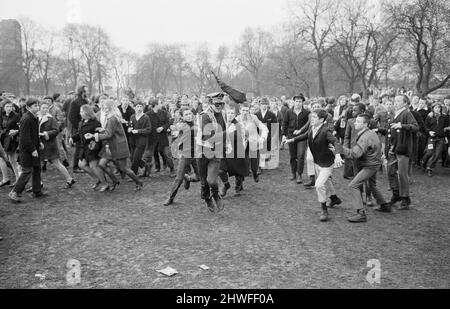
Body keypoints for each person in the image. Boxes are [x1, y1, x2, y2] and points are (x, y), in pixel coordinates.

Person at [335, 114, 391, 222]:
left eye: (359, 122)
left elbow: (356, 154)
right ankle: (384, 205)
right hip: (373, 163)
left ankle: (361, 213)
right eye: (356, 121)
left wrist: (340, 149)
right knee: (372, 185)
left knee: (353, 185)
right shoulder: (369, 133)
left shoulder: (365, 137)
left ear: (366, 124)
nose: (355, 123)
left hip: (369, 165)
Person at [293, 109, 343, 222]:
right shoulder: (312, 128)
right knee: (326, 181)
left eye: (314, 117)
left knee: (319, 184)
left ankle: (324, 210)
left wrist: (338, 155)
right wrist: (292, 140)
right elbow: (305, 135)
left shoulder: (326, 131)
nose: (312, 119)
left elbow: (336, 142)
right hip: (317, 161)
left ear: (321, 120)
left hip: (327, 163)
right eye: (312, 117)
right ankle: (334, 198)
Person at [85, 99, 143, 191]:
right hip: (112, 146)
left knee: (124, 168)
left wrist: (94, 135)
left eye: (106, 108)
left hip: (118, 146)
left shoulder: (112, 119)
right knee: (102, 164)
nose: (104, 110)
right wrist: (102, 130)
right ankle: (115, 180)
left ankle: (138, 182)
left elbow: (109, 134)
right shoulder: (112, 117)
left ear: (111, 108)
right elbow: (110, 132)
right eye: (103, 108)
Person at [9, 98, 46, 202]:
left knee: (36, 168)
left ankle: (37, 191)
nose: (37, 107)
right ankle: (15, 192)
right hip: (27, 150)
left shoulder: (34, 117)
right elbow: (25, 138)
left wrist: (39, 143)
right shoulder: (26, 119)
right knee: (27, 171)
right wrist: (33, 149)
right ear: (28, 107)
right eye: (35, 106)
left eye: (37, 105)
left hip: (33, 148)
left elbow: (33, 134)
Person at [386, 95, 418, 210]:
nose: (395, 103)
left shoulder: (407, 113)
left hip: (403, 148)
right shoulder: (393, 114)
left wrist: (402, 126)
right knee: (390, 171)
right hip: (393, 148)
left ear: (405, 103)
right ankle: (396, 195)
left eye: (398, 101)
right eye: (395, 101)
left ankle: (405, 198)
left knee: (402, 174)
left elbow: (415, 127)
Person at [196, 93, 227, 212]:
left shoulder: (222, 114)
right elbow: (208, 136)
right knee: (204, 182)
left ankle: (216, 195)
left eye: (221, 104)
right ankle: (207, 199)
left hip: (216, 152)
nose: (219, 106)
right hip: (203, 152)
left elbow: (222, 132)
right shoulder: (204, 116)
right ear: (210, 103)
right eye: (217, 104)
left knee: (211, 180)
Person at [164, 108, 200, 206]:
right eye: (186, 114)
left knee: (199, 177)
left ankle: (187, 178)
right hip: (185, 155)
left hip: (195, 155)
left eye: (190, 114)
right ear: (183, 117)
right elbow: (177, 129)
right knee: (178, 179)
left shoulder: (196, 125)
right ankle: (170, 198)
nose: (189, 116)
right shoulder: (182, 125)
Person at [69, 105, 107, 191]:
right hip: (83, 148)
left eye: (82, 111)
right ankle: (98, 179)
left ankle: (105, 183)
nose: (80, 113)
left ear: (87, 112)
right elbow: (79, 134)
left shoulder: (95, 123)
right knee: (81, 165)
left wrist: (93, 140)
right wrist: (72, 138)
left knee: (94, 166)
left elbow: (99, 136)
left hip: (92, 148)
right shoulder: (81, 122)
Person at [38, 102, 75, 189]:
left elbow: (56, 130)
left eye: (46, 108)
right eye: (43, 108)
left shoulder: (51, 119)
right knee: (38, 164)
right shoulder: (37, 118)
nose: (45, 109)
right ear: (39, 108)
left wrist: (46, 133)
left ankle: (69, 178)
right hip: (41, 144)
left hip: (50, 144)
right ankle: (38, 182)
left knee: (57, 163)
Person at [219, 107, 249, 198]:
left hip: (236, 151)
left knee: (238, 172)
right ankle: (226, 185)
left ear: (235, 115)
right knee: (220, 170)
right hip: (224, 152)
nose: (230, 115)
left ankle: (237, 187)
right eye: (228, 113)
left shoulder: (238, 125)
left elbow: (238, 136)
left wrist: (224, 134)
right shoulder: (222, 123)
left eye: (232, 113)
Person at [282, 94, 310, 184]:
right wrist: (284, 134)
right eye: (297, 101)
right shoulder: (288, 112)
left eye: (300, 101)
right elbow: (285, 124)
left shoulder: (306, 113)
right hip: (291, 136)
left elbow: (308, 125)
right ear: (294, 102)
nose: (298, 103)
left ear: (302, 103)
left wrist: (302, 132)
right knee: (293, 156)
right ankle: (293, 173)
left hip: (302, 137)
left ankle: (299, 175)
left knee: (301, 155)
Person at [421, 103, 450, 177]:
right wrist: (429, 132)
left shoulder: (444, 117)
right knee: (429, 152)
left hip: (441, 138)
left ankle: (429, 168)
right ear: (433, 109)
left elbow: (446, 127)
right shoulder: (429, 117)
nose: (437, 109)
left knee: (437, 155)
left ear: (440, 108)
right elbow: (426, 127)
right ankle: (423, 162)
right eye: (436, 108)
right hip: (432, 138)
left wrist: (446, 136)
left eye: (439, 107)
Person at [68, 86, 89, 173]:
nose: (87, 92)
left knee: (84, 146)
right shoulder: (75, 102)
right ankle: (75, 167)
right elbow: (71, 117)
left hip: (85, 126)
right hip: (78, 128)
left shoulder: (85, 101)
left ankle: (84, 164)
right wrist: (80, 127)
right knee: (78, 147)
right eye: (86, 90)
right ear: (82, 91)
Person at [0, 100, 21, 186]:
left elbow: (22, 128)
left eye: (10, 106)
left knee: (13, 160)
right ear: (4, 107)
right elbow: (3, 127)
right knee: (11, 160)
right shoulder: (3, 115)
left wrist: (16, 131)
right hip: (5, 139)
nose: (9, 108)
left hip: (14, 139)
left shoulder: (17, 116)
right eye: (7, 107)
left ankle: (18, 180)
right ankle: (17, 179)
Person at [128, 101, 152, 175]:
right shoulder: (132, 116)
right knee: (133, 158)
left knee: (135, 158)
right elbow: (130, 126)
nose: (139, 108)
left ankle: (133, 174)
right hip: (133, 140)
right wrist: (129, 129)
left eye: (140, 106)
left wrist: (138, 131)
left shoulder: (146, 117)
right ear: (134, 107)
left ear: (143, 107)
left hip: (141, 141)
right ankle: (147, 165)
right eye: (137, 106)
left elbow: (149, 129)